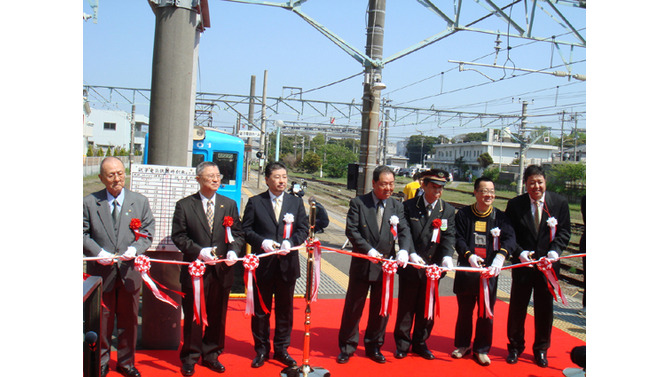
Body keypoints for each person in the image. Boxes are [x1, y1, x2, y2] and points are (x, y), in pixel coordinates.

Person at [171, 161, 245, 376]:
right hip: (196, 270)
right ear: (198, 179)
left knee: (217, 314)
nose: (215, 179)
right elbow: (179, 236)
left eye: (218, 175)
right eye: (210, 176)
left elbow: (237, 233)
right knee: (195, 314)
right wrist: (198, 251)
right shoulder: (185, 205)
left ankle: (212, 353)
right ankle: (190, 356)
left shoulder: (228, 204)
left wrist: (234, 250)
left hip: (221, 271)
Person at [83, 157, 155, 377]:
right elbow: (81, 232)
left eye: (120, 173)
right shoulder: (89, 202)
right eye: (111, 175)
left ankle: (126, 362)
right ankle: (102, 361)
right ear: (101, 177)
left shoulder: (139, 202)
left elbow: (148, 232)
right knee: (102, 320)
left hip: (129, 272)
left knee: (129, 320)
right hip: (102, 273)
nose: (117, 179)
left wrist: (136, 248)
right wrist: (97, 252)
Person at [337, 165, 412, 364]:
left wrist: (404, 250)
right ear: (374, 183)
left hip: (385, 266)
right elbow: (352, 231)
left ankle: (374, 345)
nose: (388, 188)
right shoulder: (359, 203)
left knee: (381, 308)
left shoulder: (396, 206)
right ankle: (347, 346)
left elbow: (404, 230)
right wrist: (368, 250)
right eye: (384, 184)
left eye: (391, 184)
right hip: (364, 262)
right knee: (354, 306)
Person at [241, 161, 309, 369]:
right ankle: (261, 349)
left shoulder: (295, 203)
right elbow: (246, 229)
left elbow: (303, 229)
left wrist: (292, 241)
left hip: (287, 265)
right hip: (264, 265)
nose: (281, 181)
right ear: (267, 179)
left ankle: (282, 349)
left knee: (285, 310)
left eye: (284, 177)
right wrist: (262, 242)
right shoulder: (255, 202)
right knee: (261, 311)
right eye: (277, 177)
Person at [504, 165, 571, 368]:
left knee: (545, 310)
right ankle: (515, 347)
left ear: (545, 182)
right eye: (532, 182)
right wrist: (518, 252)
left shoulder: (559, 203)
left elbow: (564, 231)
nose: (536, 186)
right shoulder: (515, 204)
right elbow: (509, 233)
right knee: (517, 308)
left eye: (539, 182)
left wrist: (555, 251)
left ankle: (541, 349)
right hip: (523, 266)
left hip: (547, 268)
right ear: (526, 184)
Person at [451, 177, 516, 366]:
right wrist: (469, 255)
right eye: (484, 191)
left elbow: (510, 239)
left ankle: (482, 349)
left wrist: (501, 256)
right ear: (476, 193)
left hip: (489, 274)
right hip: (467, 272)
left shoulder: (500, 217)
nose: (489, 195)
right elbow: (458, 238)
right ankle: (462, 345)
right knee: (464, 311)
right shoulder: (463, 214)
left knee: (486, 312)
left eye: (492, 191)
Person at [393, 169, 456, 361]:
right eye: (434, 186)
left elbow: (448, 236)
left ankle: (421, 343)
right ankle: (403, 344)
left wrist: (446, 257)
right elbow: (405, 233)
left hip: (433, 268)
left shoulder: (447, 210)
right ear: (424, 185)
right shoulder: (409, 206)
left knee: (427, 308)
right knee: (406, 307)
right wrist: (410, 253)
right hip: (412, 266)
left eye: (441, 187)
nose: (438, 191)